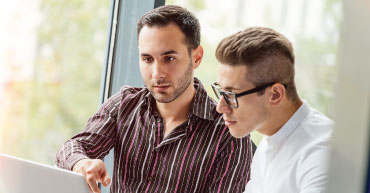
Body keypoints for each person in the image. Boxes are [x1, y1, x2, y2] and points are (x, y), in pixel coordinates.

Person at [55, 5, 252, 193]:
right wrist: (83, 164)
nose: (157, 73)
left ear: (197, 57)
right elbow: (72, 148)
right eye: (147, 59)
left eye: (169, 58)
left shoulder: (229, 133)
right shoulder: (124, 103)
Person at [212, 27, 333, 193]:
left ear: (275, 95)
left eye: (231, 95)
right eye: (221, 92)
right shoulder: (268, 143)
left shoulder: (321, 154)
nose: (220, 107)